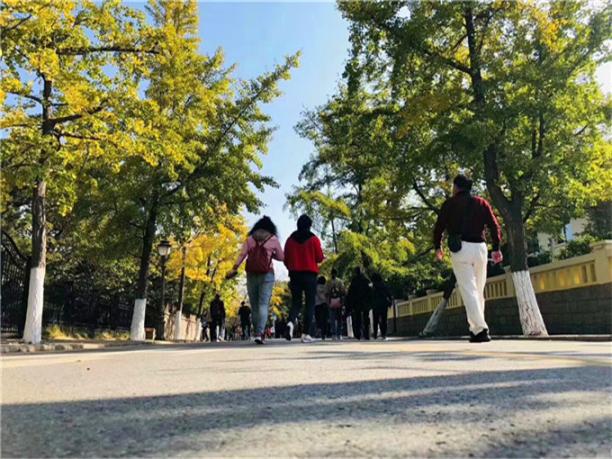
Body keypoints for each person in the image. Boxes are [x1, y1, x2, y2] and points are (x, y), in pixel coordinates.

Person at [433, 174, 503, 343]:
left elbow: (439, 227)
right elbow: (494, 225)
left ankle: (480, 329)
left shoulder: (449, 204)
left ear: (456, 187)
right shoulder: (481, 202)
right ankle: (475, 328)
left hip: (461, 249)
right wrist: (497, 248)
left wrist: (438, 247)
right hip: (480, 248)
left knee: (469, 290)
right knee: (478, 290)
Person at [227, 216, 284, 345]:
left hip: (251, 273)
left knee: (254, 305)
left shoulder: (250, 239)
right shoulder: (273, 239)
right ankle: (259, 333)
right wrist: (271, 254)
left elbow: (242, 255)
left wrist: (235, 268)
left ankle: (256, 332)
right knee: (263, 304)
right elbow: (281, 257)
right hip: (267, 274)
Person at [284, 214, 325, 343]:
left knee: (296, 302)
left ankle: (290, 322)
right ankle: (306, 334)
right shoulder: (314, 239)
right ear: (309, 225)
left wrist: (291, 268)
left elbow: (286, 259)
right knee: (309, 303)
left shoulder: (290, 240)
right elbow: (319, 257)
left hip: (295, 274)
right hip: (310, 275)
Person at [346, 267, 372, 340]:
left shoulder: (354, 280)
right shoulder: (366, 280)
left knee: (357, 318)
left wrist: (349, 303)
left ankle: (358, 334)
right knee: (366, 318)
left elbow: (350, 293)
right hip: (365, 302)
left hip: (356, 302)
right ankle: (367, 334)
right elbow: (370, 290)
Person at [371, 273, 393, 340]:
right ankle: (384, 334)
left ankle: (375, 334)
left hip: (375, 305)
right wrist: (390, 301)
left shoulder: (372, 286)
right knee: (384, 319)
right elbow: (389, 294)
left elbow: (370, 295)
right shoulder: (384, 285)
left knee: (375, 320)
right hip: (384, 304)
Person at [326, 268, 345, 340]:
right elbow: (343, 291)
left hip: (331, 301)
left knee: (332, 318)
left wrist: (327, 301)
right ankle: (339, 334)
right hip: (339, 301)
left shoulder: (328, 282)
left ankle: (334, 334)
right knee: (339, 318)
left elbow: (326, 293)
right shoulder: (340, 281)